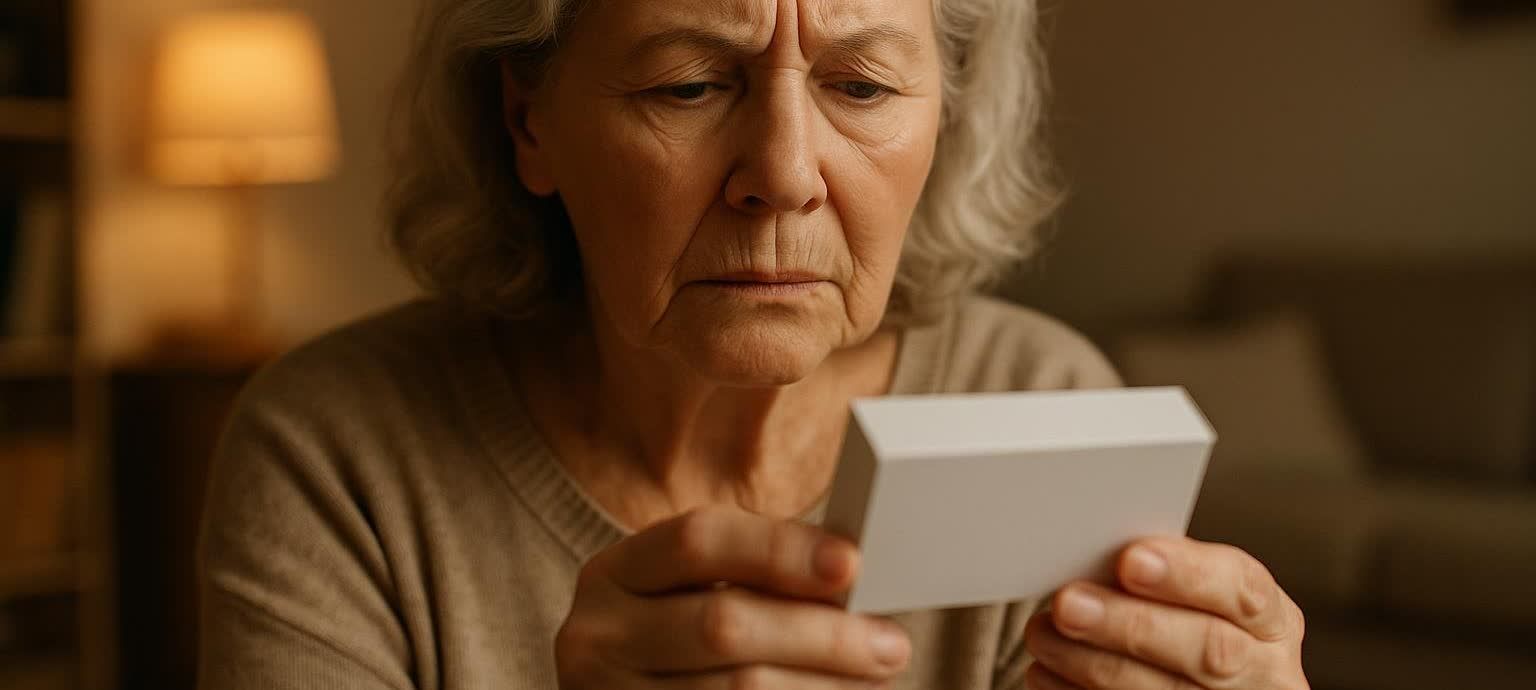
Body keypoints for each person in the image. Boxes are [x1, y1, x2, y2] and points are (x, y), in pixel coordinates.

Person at [198, 0, 1310, 688]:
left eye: (862, 85)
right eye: (688, 83)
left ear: (946, 120)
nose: (783, 171)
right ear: (529, 122)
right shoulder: (338, 452)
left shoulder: (1039, 398)